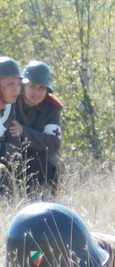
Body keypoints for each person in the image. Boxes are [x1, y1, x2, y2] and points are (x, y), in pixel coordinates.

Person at [8, 61, 63, 195]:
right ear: (23, 86)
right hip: (10, 156)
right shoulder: (9, 101)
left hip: (40, 164)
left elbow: (53, 144)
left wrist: (23, 132)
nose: (37, 92)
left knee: (48, 159)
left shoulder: (52, 109)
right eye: (33, 86)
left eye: (42, 88)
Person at [0, 57, 25, 199]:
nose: (16, 90)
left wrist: (3, 149)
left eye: (18, 84)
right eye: (10, 84)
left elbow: (15, 148)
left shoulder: (10, 109)